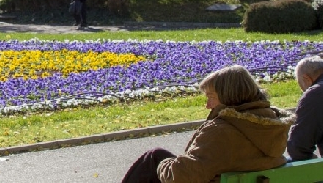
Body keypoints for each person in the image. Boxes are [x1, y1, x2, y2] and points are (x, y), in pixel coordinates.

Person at [122, 65, 292, 183]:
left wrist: (163, 166)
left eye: (211, 97)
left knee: (153, 159)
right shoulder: (271, 125)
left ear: (228, 97)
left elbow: (182, 177)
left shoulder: (223, 131)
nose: (207, 105)